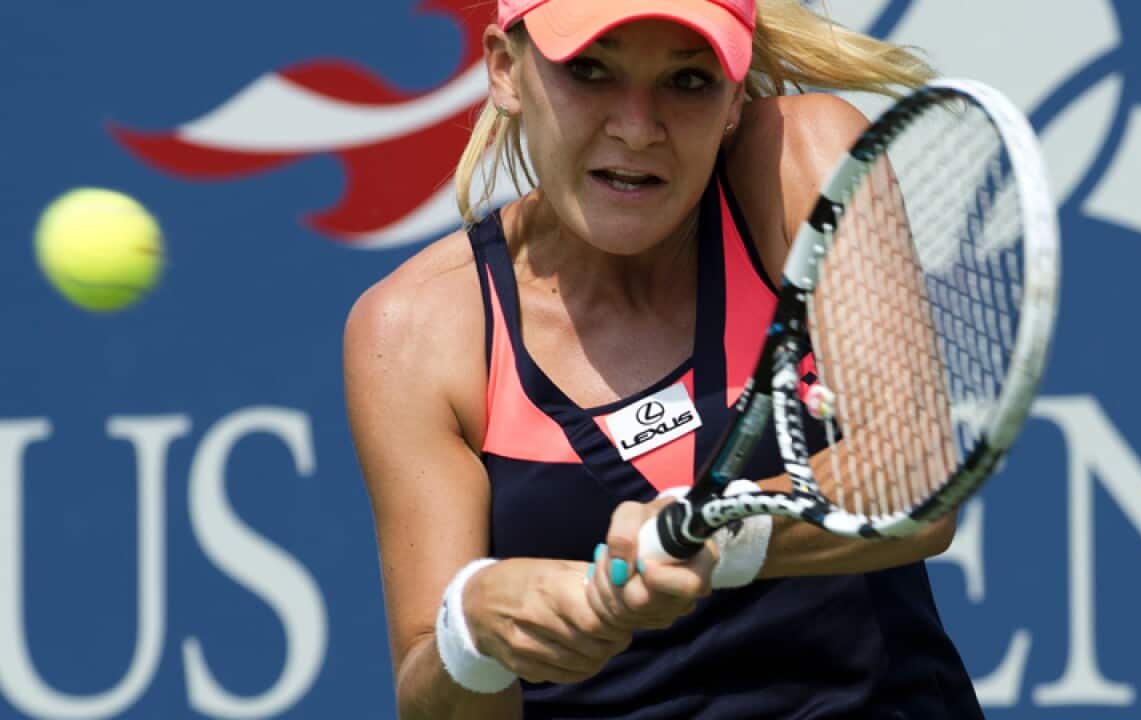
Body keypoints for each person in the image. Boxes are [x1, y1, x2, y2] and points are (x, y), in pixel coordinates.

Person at [343, 0, 986, 717]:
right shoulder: (412, 329)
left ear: (735, 97)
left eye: (687, 81)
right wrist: (473, 633)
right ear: (505, 70)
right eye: (590, 71)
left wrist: (720, 530)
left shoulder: (800, 159)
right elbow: (432, 692)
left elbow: (914, 484)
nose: (637, 127)